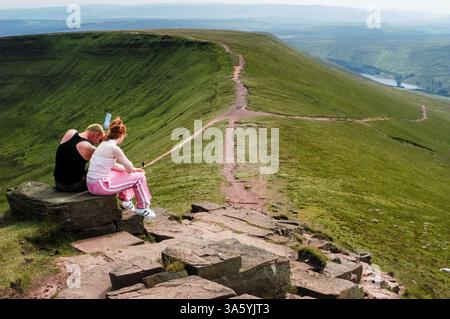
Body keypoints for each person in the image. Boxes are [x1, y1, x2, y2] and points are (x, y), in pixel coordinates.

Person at [86, 117, 155, 219]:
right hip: (101, 186)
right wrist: (134, 170)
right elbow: (129, 168)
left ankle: (125, 201)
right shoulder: (114, 148)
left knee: (122, 171)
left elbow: (113, 166)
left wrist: (133, 169)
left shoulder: (104, 144)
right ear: (121, 134)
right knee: (139, 177)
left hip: (92, 184)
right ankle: (142, 208)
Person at [54, 124, 105, 192]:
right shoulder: (89, 148)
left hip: (58, 183)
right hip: (73, 186)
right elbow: (106, 160)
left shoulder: (70, 132)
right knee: (99, 168)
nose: (97, 142)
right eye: (99, 139)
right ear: (96, 135)